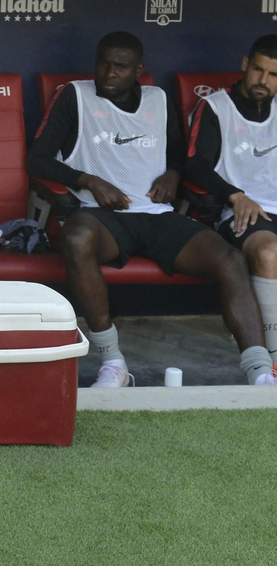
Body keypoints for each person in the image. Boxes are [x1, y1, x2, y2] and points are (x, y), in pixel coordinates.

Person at [27, 32, 277, 389]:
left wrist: (173, 174)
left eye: (121, 67)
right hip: (101, 216)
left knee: (230, 259)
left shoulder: (157, 99)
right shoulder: (74, 96)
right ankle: (112, 362)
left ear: (139, 70)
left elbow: (180, 157)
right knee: (78, 238)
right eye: (104, 64)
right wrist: (89, 180)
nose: (110, 73)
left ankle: (259, 371)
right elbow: (35, 160)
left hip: (156, 214)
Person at [184, 37, 277, 363]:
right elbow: (194, 164)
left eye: (274, 75)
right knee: (268, 252)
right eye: (257, 69)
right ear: (244, 64)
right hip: (239, 212)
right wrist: (236, 195)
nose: (263, 81)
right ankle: (275, 359)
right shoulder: (214, 107)